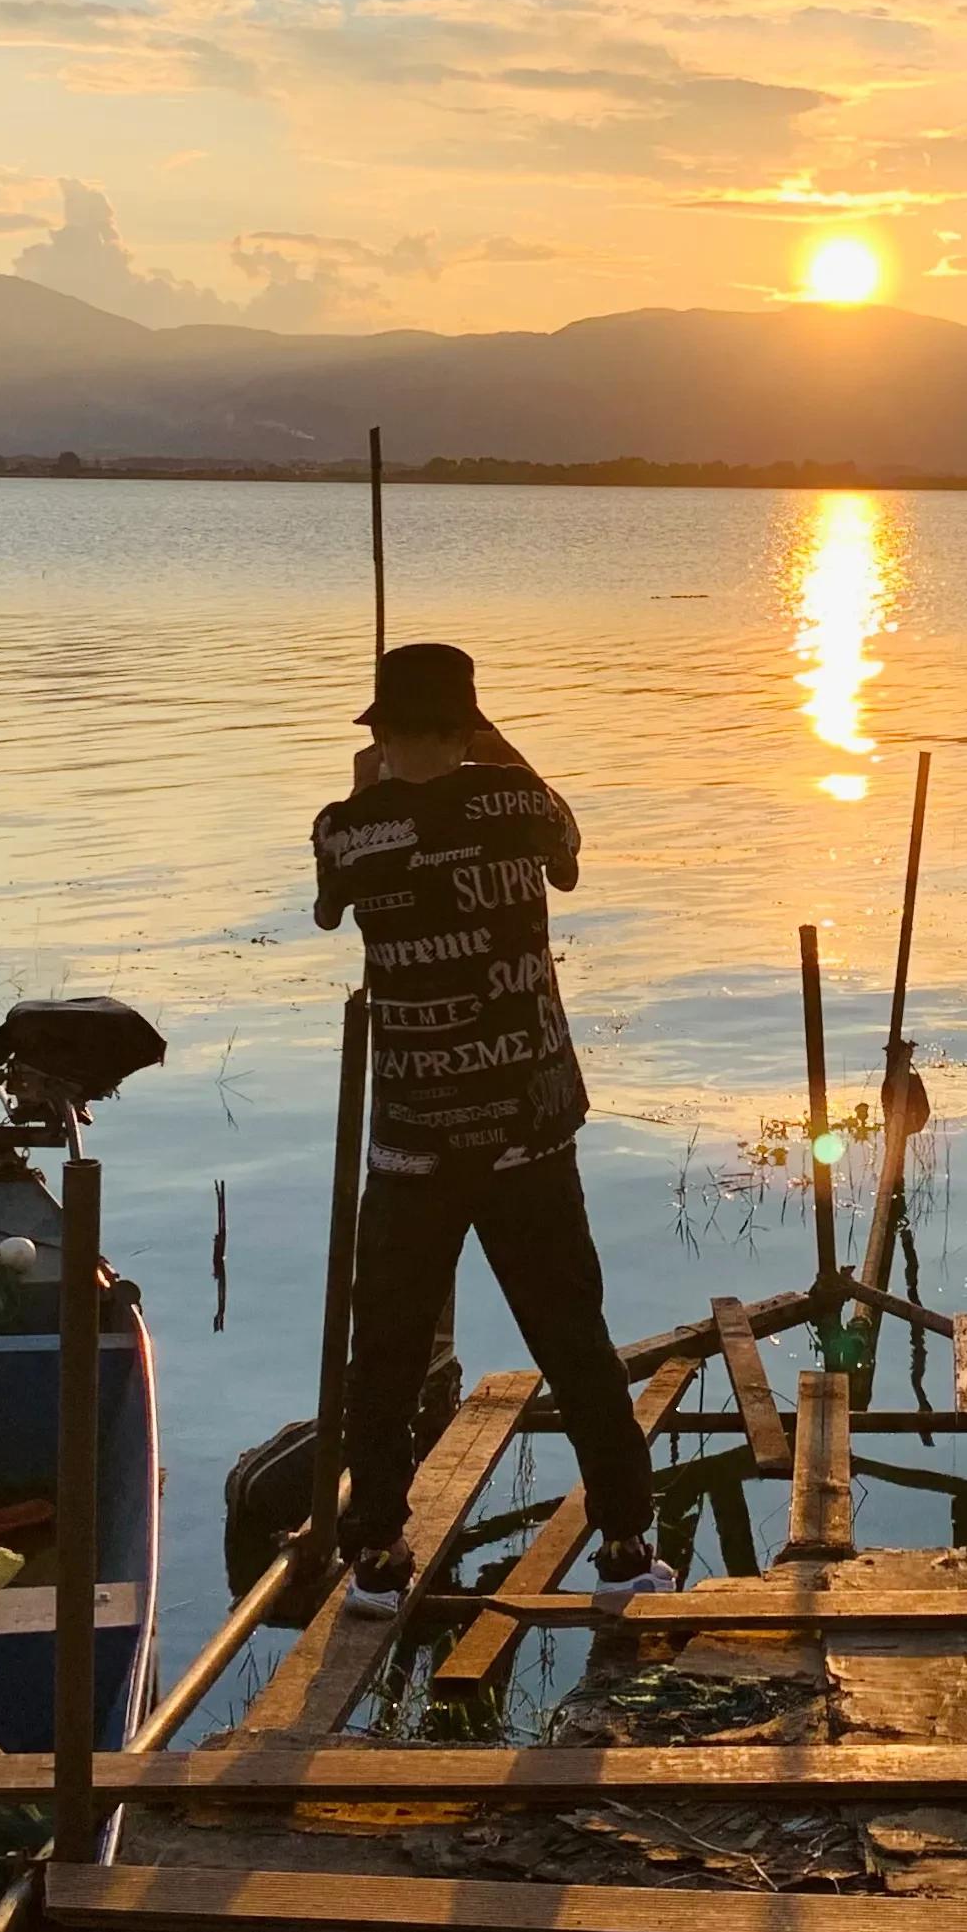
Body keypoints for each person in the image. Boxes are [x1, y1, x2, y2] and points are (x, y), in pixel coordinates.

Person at [311, 641, 673, 1608]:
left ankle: (378, 1556)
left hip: (413, 1140)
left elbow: (327, 908)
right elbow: (569, 856)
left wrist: (367, 799)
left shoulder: (346, 829)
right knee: (572, 1338)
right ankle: (629, 1548)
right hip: (528, 1130)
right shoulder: (518, 806)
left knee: (382, 1353)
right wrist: (495, 755)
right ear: (470, 728)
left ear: (382, 733)